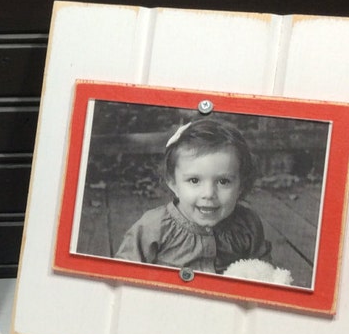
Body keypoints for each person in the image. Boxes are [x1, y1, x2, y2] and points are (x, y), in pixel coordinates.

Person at [114, 117, 272, 275]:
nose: (208, 194)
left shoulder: (247, 225)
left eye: (223, 181)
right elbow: (122, 273)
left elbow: (262, 272)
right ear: (173, 183)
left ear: (241, 185)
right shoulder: (153, 227)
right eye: (194, 180)